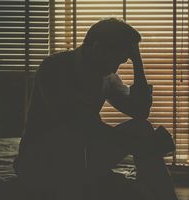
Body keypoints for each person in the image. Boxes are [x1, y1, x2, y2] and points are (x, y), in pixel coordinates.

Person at [14, 17, 178, 200]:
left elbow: (140, 112)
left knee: (142, 128)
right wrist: (136, 144)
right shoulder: (54, 67)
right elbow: (76, 123)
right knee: (139, 141)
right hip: (44, 159)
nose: (116, 68)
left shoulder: (107, 77)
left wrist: (137, 62)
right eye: (116, 59)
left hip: (83, 154)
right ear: (97, 47)